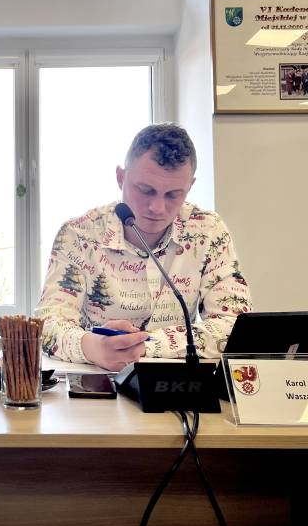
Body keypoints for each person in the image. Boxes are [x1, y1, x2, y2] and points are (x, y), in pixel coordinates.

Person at [35, 124, 252, 371]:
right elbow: (47, 324)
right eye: (145, 190)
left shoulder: (208, 230)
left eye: (173, 195)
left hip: (179, 383)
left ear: (190, 186)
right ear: (121, 178)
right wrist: (91, 346)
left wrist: (146, 345)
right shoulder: (78, 235)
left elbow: (236, 326)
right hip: (97, 379)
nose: (157, 208)